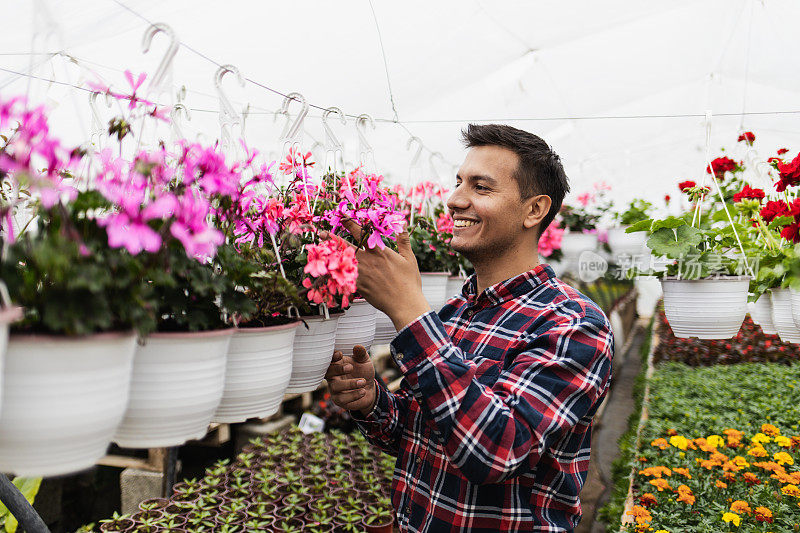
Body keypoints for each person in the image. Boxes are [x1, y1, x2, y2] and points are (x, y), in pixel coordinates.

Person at [323, 124, 614, 532]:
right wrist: (372, 401)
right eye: (459, 182)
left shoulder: (573, 324)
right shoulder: (455, 313)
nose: (455, 199)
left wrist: (409, 309)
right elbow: (422, 435)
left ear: (534, 210)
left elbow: (496, 452)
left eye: (481, 187)